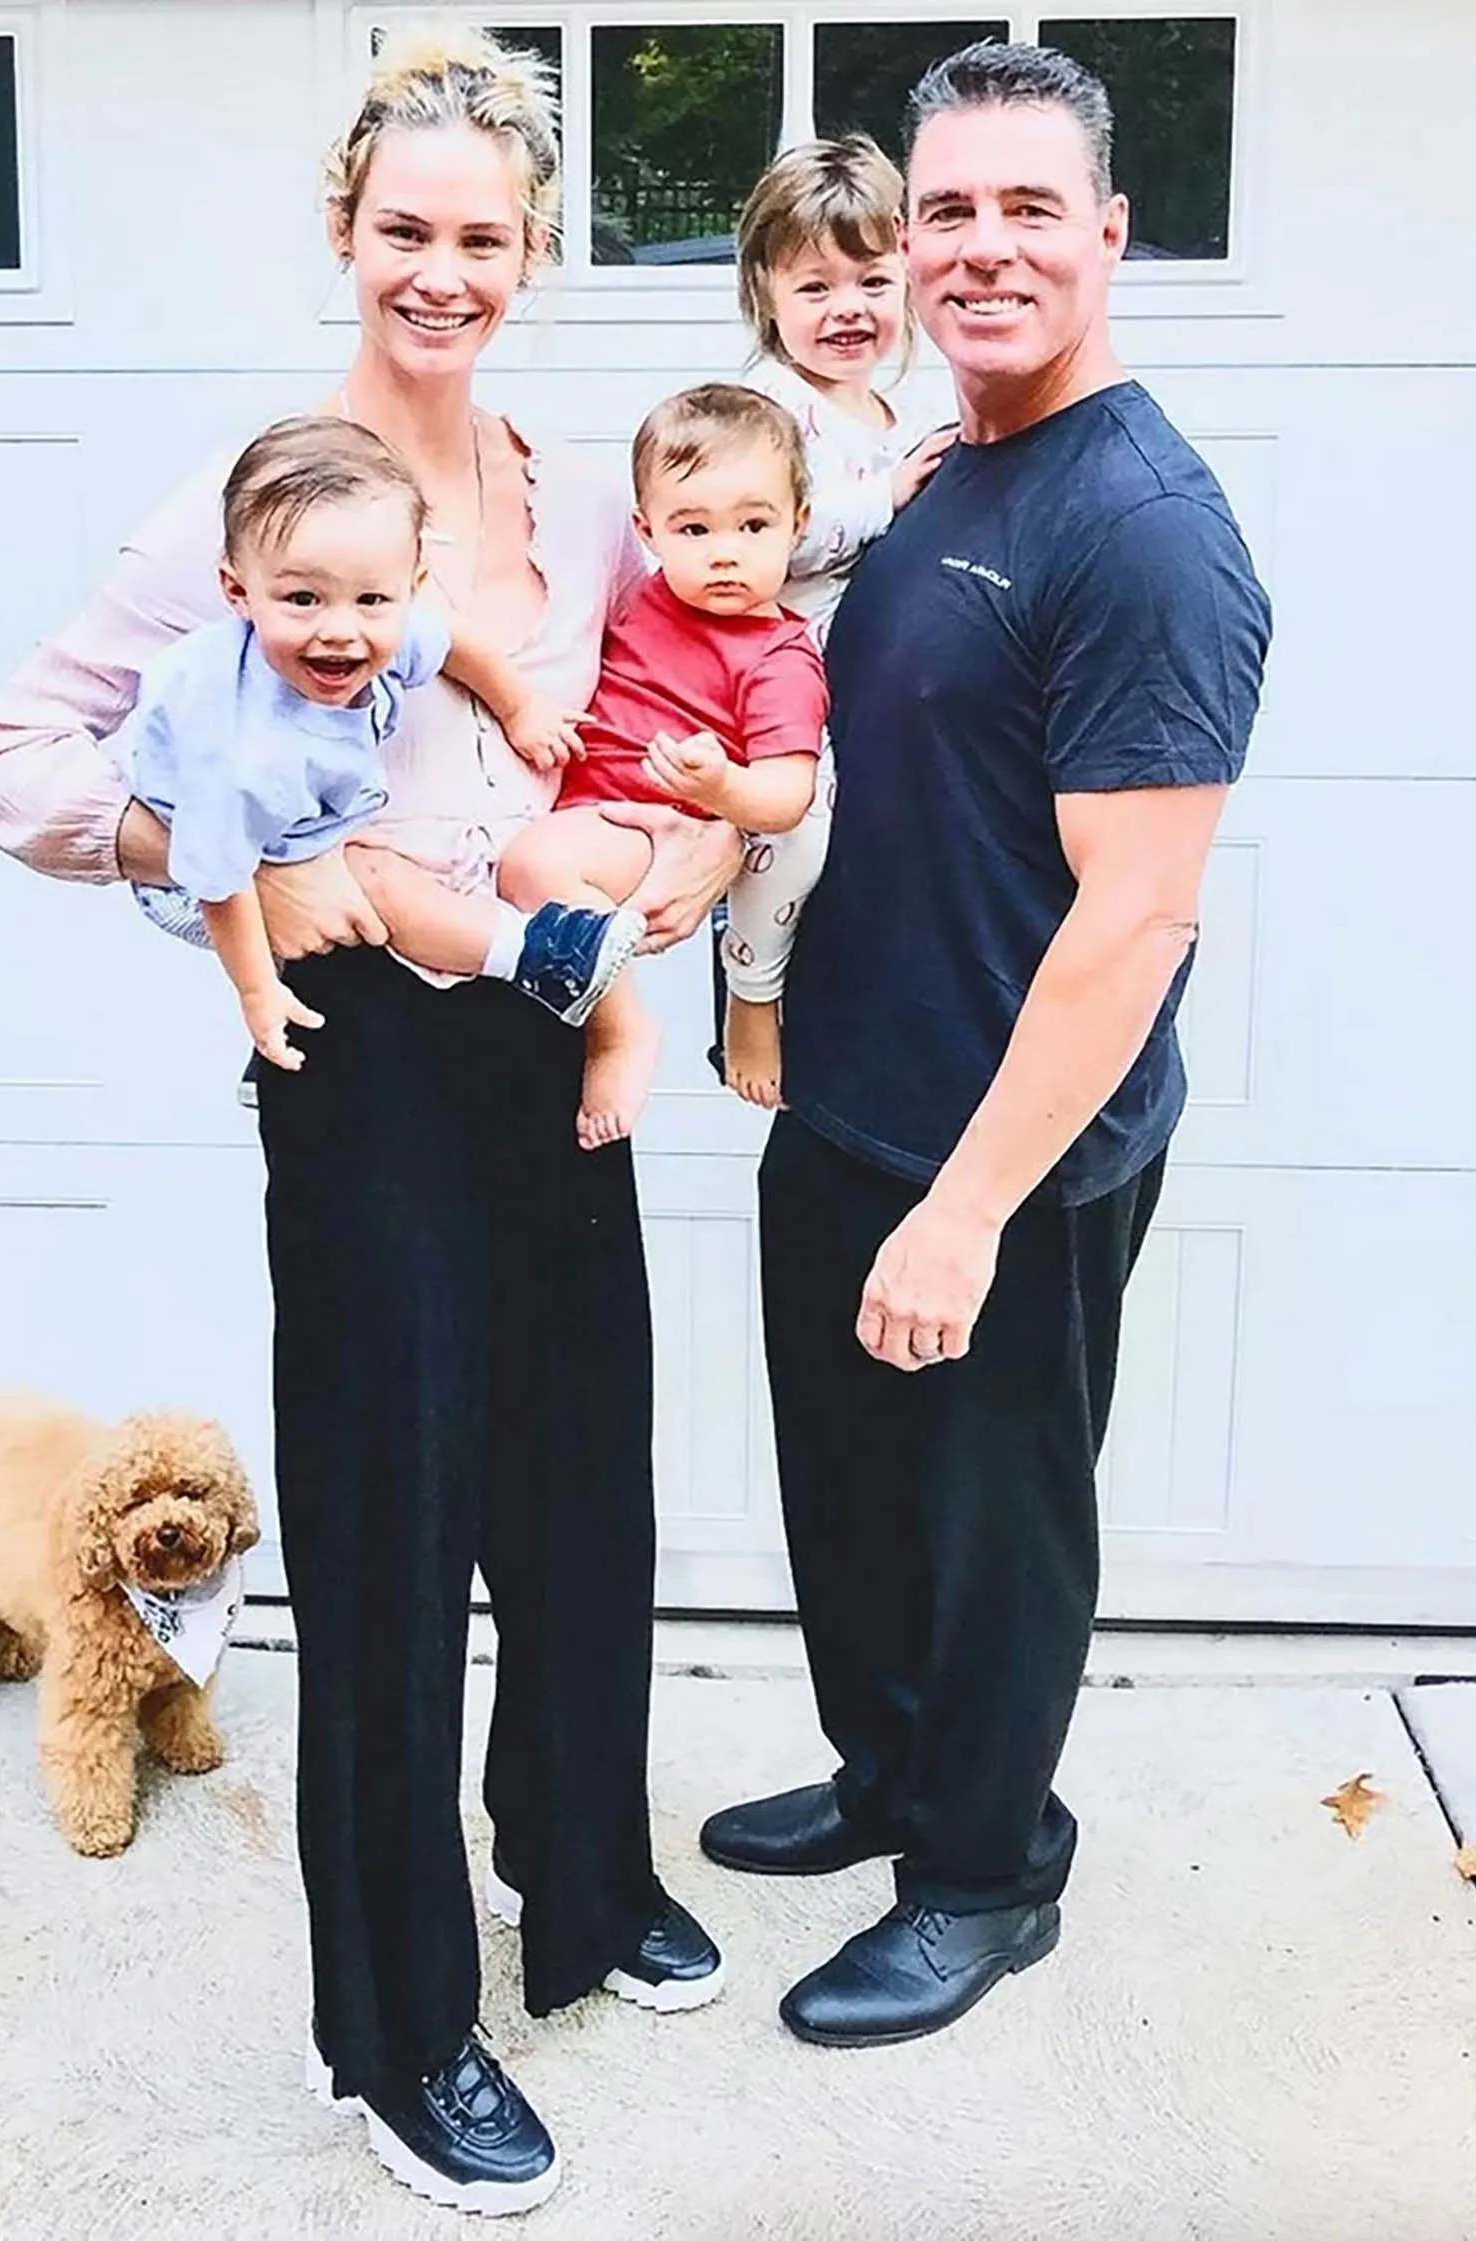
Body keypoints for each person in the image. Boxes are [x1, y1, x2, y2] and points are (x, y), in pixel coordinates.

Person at [0, 25, 739, 2217]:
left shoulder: (583, 496)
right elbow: (4, 758)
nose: (443, 272)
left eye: (484, 237)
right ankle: (392, 2034)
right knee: (395, 1529)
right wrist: (197, 858)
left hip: (546, 1028)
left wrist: (683, 859)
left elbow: (656, 714)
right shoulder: (256, 507)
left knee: (579, 1484)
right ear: (342, 229)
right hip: (365, 1058)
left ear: (534, 254)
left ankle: (577, 1873)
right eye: (406, 229)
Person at [699, 41, 1273, 2051]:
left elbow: (1135, 917)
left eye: (1031, 206)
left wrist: (963, 1211)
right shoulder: (931, 473)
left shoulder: (1144, 528)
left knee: (994, 1532)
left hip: (1009, 1157)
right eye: (948, 208)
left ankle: (982, 1873)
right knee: (851, 1499)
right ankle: (889, 1772)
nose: (982, 245)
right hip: (850, 1096)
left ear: (1109, 233)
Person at [122, 412, 642, 1072]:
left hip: (291, 804)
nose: (340, 629)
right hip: (199, 870)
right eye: (302, 599)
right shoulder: (238, 752)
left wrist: (521, 709)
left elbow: (453, 643)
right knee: (376, 877)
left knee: (384, 868)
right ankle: (538, 956)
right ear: (237, 590)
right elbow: (218, 880)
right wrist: (258, 993)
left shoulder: (389, 624)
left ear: (412, 588)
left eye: (370, 600)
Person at [496, 381, 829, 1148]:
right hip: (584, 805)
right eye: (693, 527)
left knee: (533, 866)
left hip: (648, 824)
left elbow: (788, 794)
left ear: (798, 524)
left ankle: (620, 1029)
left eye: (754, 525)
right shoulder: (647, 599)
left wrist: (722, 785)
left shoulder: (780, 656)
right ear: (647, 530)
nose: (724, 551)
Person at [722, 134, 956, 1108]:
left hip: (853, 680)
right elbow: (764, 541)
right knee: (798, 827)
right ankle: (749, 994)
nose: (846, 309)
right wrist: (886, 499)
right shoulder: (765, 411)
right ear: (765, 293)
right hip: (774, 670)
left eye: (870, 282)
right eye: (814, 287)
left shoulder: (887, 413)